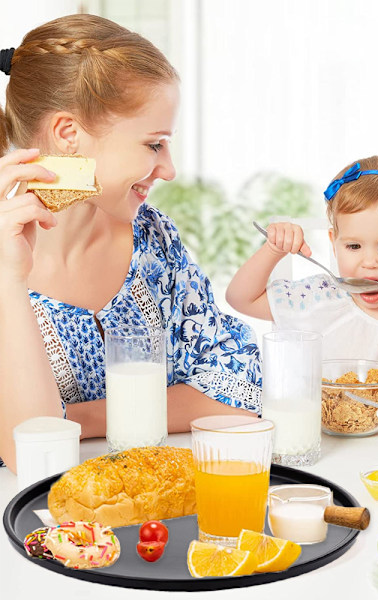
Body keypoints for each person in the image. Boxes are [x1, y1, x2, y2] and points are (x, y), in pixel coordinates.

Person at [0, 14, 261, 472]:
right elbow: (28, 453)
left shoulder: (154, 239)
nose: (169, 169)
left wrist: (78, 419)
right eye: (154, 144)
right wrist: (8, 277)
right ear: (69, 135)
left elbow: (239, 389)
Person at [227, 156, 378, 407]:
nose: (369, 262)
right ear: (334, 243)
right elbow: (241, 298)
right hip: (323, 442)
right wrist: (273, 249)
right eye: (354, 246)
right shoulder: (319, 299)